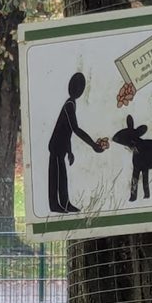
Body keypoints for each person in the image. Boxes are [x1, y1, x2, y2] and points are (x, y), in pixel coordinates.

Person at [47, 72, 106, 213]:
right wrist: (92, 144)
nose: (79, 91)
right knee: (56, 175)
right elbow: (75, 129)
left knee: (62, 175)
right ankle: (55, 204)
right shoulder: (69, 105)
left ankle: (65, 203)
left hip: (61, 146)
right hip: (56, 146)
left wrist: (69, 151)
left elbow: (66, 131)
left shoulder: (71, 104)